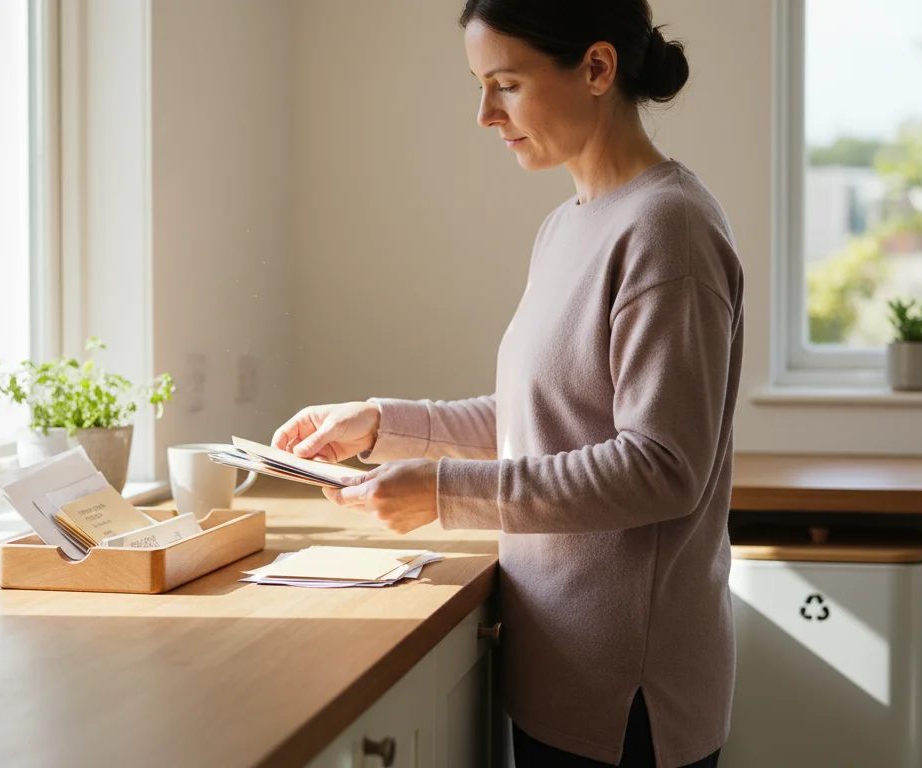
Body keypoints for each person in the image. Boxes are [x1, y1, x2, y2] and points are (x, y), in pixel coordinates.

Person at [272, 1, 743, 766]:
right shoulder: (570, 224)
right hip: (560, 669)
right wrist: (378, 422)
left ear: (597, 68)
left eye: (506, 84)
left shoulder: (668, 228)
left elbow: (661, 468)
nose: (485, 113)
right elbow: (545, 416)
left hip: (629, 700)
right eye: (480, 84)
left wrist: (445, 492)